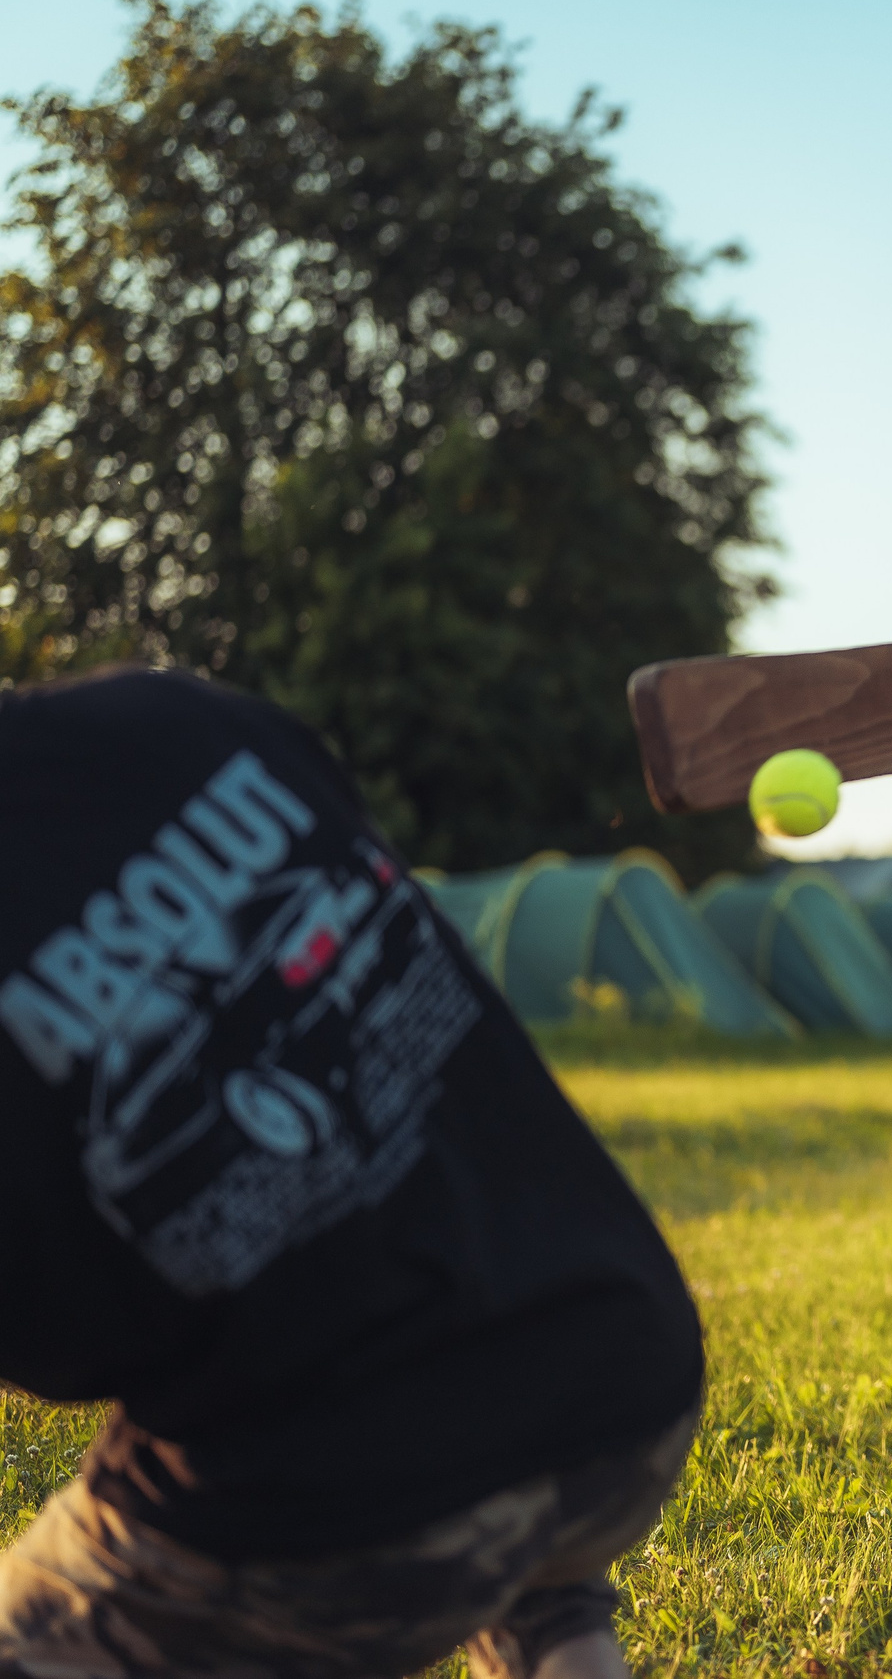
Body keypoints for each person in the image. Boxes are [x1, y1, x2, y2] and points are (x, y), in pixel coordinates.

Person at [0, 669, 703, 1679]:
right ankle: (566, 1641)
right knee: (424, 1301)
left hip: (349, 1526)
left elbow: (64, 1350)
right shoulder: (184, 716)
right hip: (623, 1371)